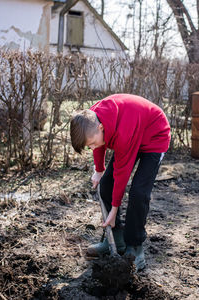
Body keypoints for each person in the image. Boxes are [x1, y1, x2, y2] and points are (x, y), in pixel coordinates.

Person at [70, 94, 170, 272]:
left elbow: (122, 174)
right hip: (133, 131)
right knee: (106, 185)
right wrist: (98, 170)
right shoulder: (90, 118)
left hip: (154, 135)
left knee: (139, 192)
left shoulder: (122, 133)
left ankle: (135, 246)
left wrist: (114, 210)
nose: (92, 148)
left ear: (101, 128)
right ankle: (115, 240)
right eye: (88, 146)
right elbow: (98, 144)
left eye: (92, 143)